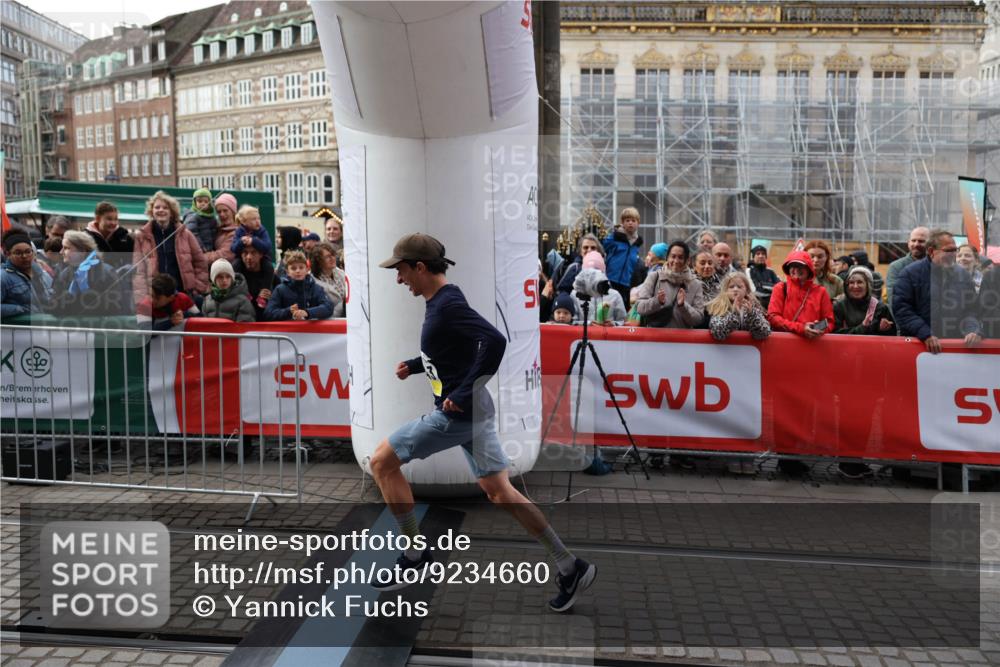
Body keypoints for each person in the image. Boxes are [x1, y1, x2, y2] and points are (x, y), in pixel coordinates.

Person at [369, 232, 596, 612]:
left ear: (420, 268)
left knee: (381, 462)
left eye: (402, 271)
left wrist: (461, 392)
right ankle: (570, 566)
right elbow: (454, 349)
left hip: (457, 416)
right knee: (499, 492)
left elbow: (493, 341)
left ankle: (413, 557)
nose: (399, 279)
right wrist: (415, 364)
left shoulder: (446, 304)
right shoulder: (441, 301)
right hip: (477, 413)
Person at [893, 230, 981, 354]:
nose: (953, 254)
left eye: (954, 250)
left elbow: (971, 309)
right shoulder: (909, 274)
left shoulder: (963, 275)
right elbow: (902, 309)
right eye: (948, 250)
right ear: (931, 252)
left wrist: (972, 330)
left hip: (955, 349)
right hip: (918, 349)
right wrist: (925, 334)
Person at [132, 191, 208, 304]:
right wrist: (143, 296)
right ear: (151, 211)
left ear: (171, 212)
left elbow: (200, 263)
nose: (161, 210)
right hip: (155, 298)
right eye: (157, 207)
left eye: (165, 208)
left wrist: (197, 289)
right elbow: (138, 270)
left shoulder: (186, 234)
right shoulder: (141, 237)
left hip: (183, 295)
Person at [49, 230, 127, 318]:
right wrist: (69, 295)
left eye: (66, 248)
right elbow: (53, 307)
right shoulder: (64, 274)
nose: (61, 252)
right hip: (70, 329)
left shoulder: (107, 272)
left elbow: (115, 307)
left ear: (83, 251)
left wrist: (86, 291)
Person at [634, 241, 705, 328]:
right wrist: (657, 301)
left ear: (687, 260)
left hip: (682, 339)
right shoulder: (654, 277)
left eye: (680, 257)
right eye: (673, 256)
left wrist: (683, 306)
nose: (676, 261)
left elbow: (698, 320)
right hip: (655, 339)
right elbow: (639, 308)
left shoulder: (695, 284)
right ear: (667, 258)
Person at [767, 249, 834, 339]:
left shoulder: (821, 291)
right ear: (788, 269)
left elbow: (829, 322)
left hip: (813, 345)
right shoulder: (780, 288)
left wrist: (816, 329)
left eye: (801, 266)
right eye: (793, 266)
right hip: (785, 344)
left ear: (809, 269)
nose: (796, 269)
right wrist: (801, 329)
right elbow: (773, 317)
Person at [264, 250, 333, 321]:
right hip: (288, 331)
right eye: (293, 268)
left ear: (307, 269)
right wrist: (288, 311)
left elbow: (328, 307)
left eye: (301, 267)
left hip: (312, 330)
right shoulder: (280, 289)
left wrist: (307, 312)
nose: (298, 271)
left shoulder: (316, 288)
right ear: (287, 272)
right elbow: (268, 313)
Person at [707, 272, 771, 342]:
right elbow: (718, 333)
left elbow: (764, 333)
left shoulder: (754, 308)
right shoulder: (720, 308)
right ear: (725, 290)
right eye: (731, 287)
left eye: (739, 287)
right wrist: (734, 314)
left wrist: (752, 315)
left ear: (747, 290)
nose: (735, 289)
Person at [834, 266, 895, 337]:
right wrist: (862, 327)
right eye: (851, 282)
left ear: (868, 286)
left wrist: (885, 329)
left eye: (859, 282)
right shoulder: (839, 306)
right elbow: (835, 334)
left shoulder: (880, 308)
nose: (855, 286)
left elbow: (892, 336)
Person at [1, 231, 51, 319]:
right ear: (7, 254)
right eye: (18, 253)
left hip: (46, 328)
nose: (24, 256)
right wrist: (21, 310)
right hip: (20, 331)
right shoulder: (3, 277)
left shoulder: (42, 274)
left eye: (28, 252)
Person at [571, 251, 627, 326]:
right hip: (582, 336)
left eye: (597, 272)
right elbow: (571, 321)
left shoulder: (614, 295)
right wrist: (588, 324)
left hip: (607, 336)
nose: (593, 277)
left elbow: (623, 321)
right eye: (589, 273)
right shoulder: (575, 294)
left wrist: (613, 324)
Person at [603, 207, 644, 307]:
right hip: (611, 279)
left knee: (622, 309)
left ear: (638, 223)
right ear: (622, 222)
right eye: (627, 220)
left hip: (626, 283)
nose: (630, 223)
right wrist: (614, 233)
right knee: (608, 307)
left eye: (633, 220)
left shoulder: (636, 244)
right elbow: (603, 246)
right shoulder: (615, 237)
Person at [885, 226, 929, 311]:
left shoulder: (937, 266)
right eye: (913, 240)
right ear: (908, 243)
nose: (916, 244)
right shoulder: (896, 267)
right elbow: (895, 300)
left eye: (921, 241)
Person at [136, 274, 201, 330]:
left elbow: (200, 318)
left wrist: (185, 315)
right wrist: (170, 322)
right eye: (151, 295)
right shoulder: (144, 305)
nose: (152, 300)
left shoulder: (183, 299)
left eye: (157, 298)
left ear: (171, 298)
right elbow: (144, 332)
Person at [85, 201, 134, 269]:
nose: (113, 223)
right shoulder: (85, 237)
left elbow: (131, 261)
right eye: (109, 219)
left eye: (116, 219)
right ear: (97, 219)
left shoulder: (125, 238)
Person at [233, 244, 275, 320]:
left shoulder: (270, 275)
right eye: (245, 253)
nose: (249, 257)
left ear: (261, 254)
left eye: (253, 253)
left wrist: (271, 298)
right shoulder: (236, 273)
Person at [310, 242, 347, 318]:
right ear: (318, 261)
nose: (332, 258)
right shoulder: (312, 281)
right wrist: (343, 304)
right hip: (329, 321)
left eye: (333, 255)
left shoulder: (341, 273)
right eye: (327, 257)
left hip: (346, 318)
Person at [205, 193, 239, 264]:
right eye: (219, 212)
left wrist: (200, 257)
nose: (222, 214)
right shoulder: (218, 229)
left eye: (225, 210)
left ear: (233, 212)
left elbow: (224, 255)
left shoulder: (237, 231)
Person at [183, 188, 218, 253]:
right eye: (200, 201)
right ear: (194, 202)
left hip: (210, 250)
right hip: (198, 251)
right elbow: (192, 233)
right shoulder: (193, 216)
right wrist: (201, 248)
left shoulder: (212, 218)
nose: (203, 203)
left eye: (206, 201)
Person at [746, 245, 780, 310]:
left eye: (763, 254)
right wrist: (772, 288)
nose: (761, 256)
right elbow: (755, 291)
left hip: (772, 306)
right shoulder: (748, 271)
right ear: (753, 257)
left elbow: (780, 287)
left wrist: (763, 285)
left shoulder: (771, 271)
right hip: (756, 307)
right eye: (758, 254)